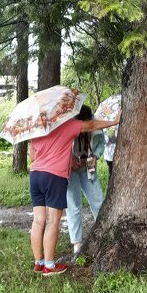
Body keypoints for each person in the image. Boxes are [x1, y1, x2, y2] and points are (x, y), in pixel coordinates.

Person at [29, 106, 121, 275]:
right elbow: (92, 125)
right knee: (53, 221)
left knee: (38, 221)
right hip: (54, 175)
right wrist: (114, 121)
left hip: (35, 175)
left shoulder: (38, 130)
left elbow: (33, 157)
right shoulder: (67, 126)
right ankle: (49, 266)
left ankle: (38, 262)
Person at [65, 105, 105, 255]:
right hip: (71, 169)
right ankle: (77, 242)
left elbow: (100, 143)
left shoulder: (94, 124)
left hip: (88, 165)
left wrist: (95, 156)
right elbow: (61, 146)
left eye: (88, 122)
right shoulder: (67, 125)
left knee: (98, 201)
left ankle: (102, 233)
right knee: (73, 205)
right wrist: (69, 160)